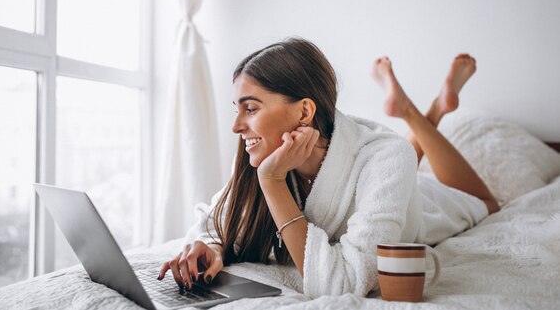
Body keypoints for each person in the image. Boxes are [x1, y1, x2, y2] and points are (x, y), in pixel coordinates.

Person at [158, 38, 500, 297]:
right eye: (237, 109)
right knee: (396, 157)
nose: (235, 126)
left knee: (486, 203)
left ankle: (422, 111)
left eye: (250, 109)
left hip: (423, 203)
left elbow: (343, 282)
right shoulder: (269, 158)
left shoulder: (385, 157)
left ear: (304, 112)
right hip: (381, 171)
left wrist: (274, 183)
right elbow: (217, 221)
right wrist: (212, 245)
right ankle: (428, 109)